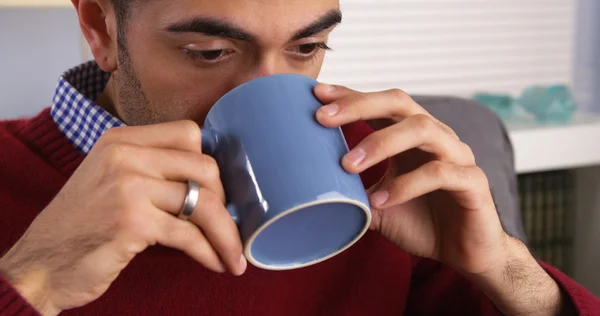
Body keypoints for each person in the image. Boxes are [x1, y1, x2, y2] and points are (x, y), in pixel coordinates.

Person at [0, 0, 598, 315]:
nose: (264, 88)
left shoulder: (377, 171)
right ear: (100, 27)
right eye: (209, 52)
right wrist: (32, 282)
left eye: (307, 46)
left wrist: (499, 268)